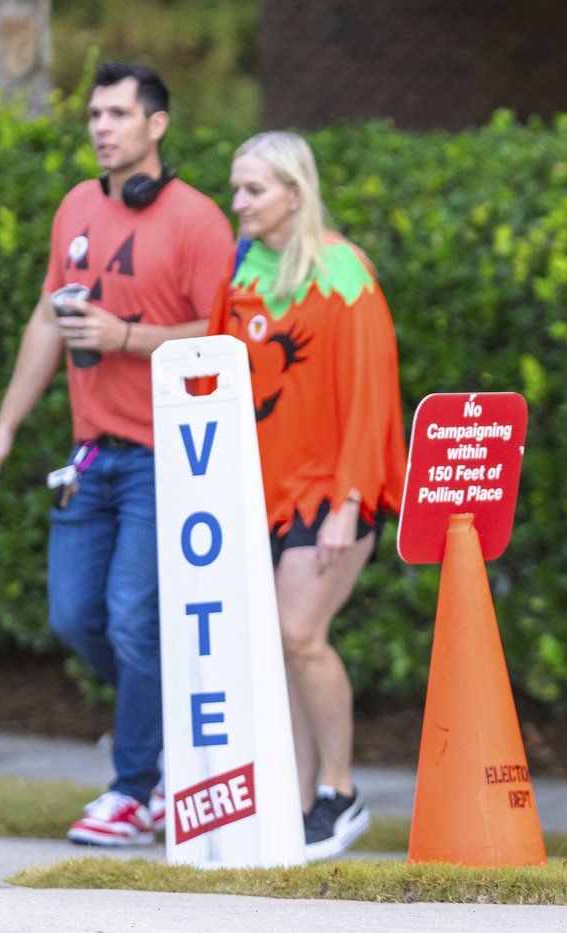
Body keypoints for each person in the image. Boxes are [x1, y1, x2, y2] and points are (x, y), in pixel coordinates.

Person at [0, 62, 234, 846]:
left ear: (158, 125)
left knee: (129, 619)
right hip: (89, 458)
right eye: (93, 113)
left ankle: (133, 788)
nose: (101, 127)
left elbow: (224, 335)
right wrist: (5, 426)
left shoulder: (197, 221)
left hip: (165, 457)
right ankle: (167, 740)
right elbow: (48, 320)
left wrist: (129, 338)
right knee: (74, 616)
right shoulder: (77, 207)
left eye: (118, 113)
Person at [205, 131, 407, 862]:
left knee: (299, 635)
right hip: (256, 491)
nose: (239, 203)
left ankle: (342, 791)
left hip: (333, 489)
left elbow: (369, 395)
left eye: (253, 189)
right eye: (236, 188)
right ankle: (295, 803)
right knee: (276, 647)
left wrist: (351, 502)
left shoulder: (344, 272)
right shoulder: (242, 271)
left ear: (296, 191)